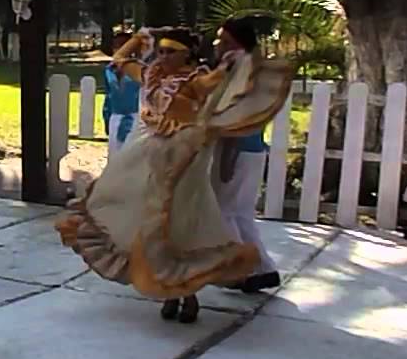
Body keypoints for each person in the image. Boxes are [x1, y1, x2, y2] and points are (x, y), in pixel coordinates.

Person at [56, 26, 292, 323]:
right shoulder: (152, 75)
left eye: (171, 52)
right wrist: (139, 38)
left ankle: (187, 294)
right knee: (146, 226)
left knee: (177, 229)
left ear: (187, 55)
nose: (164, 56)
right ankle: (171, 293)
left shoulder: (195, 81)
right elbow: (117, 60)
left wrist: (236, 61)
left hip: (183, 168)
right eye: (162, 50)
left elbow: (225, 81)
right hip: (150, 161)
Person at [211, 20, 282, 293]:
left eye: (224, 40)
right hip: (252, 148)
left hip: (238, 148)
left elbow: (235, 115)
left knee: (226, 211)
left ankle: (245, 267)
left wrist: (228, 154)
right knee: (240, 213)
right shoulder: (252, 67)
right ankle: (263, 268)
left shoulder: (238, 70)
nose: (218, 45)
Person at [102, 31, 142, 162]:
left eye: (124, 45)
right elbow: (108, 96)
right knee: (115, 159)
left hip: (137, 119)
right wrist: (107, 119)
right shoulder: (108, 70)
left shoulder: (140, 71)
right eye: (117, 46)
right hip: (116, 119)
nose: (120, 49)